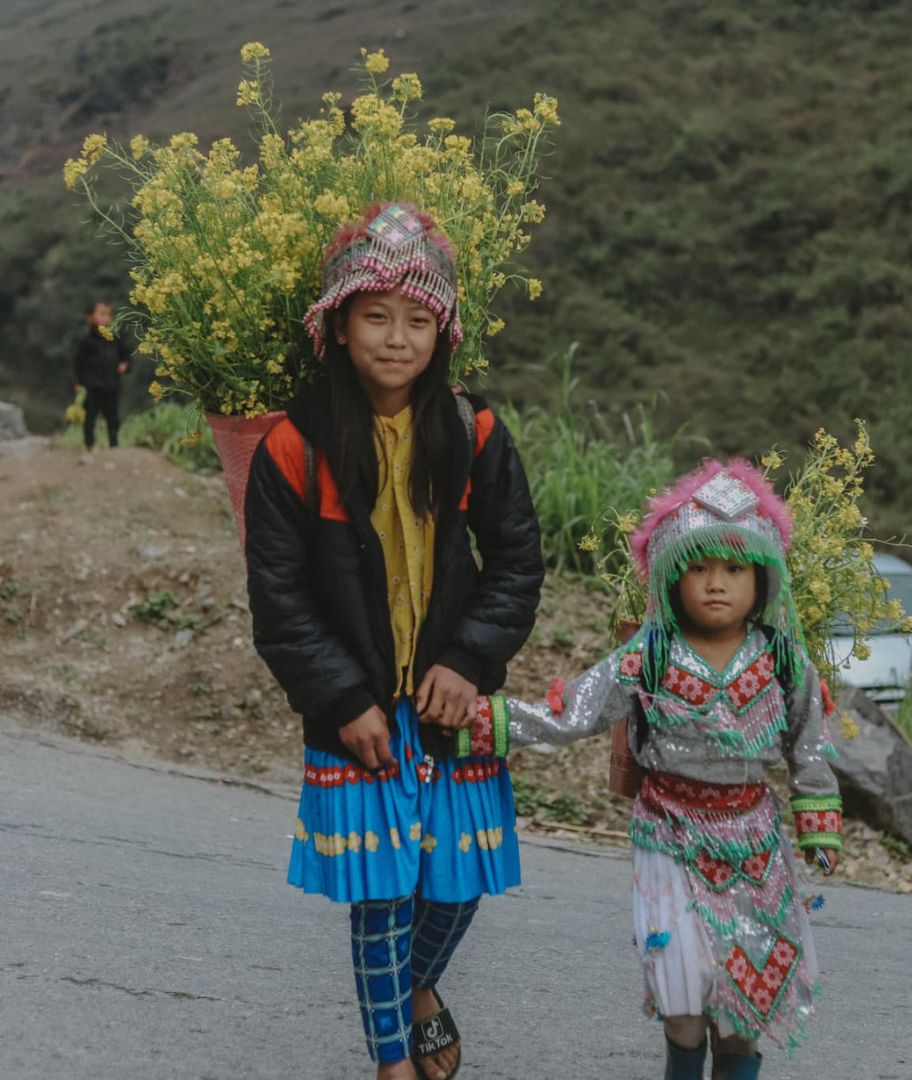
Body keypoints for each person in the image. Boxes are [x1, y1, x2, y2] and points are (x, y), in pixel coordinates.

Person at [244, 202, 544, 1080]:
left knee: (457, 885)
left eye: (417, 320)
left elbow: (518, 560)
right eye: (375, 316)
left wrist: (468, 660)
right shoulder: (293, 450)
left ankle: (414, 992)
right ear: (338, 326)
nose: (396, 338)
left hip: (448, 702)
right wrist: (342, 700)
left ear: (441, 334)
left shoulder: (474, 432)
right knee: (381, 895)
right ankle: (392, 1064)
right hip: (361, 711)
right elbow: (280, 599)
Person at [472, 460, 842, 1080]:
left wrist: (818, 824)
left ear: (762, 580)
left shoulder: (784, 659)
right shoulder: (649, 654)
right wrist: (485, 723)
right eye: (698, 567)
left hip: (755, 841)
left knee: (743, 1001)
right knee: (683, 990)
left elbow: (809, 746)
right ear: (671, 576)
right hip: (667, 831)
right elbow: (576, 713)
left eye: (733, 568)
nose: (716, 583)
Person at [72, 301, 131, 459]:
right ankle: (90, 447)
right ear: (90, 317)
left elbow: (127, 355)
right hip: (92, 386)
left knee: (112, 418)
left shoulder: (116, 338)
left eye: (108, 314)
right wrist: (79, 382)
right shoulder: (86, 342)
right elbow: (79, 364)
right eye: (102, 314)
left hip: (111, 385)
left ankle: (114, 447)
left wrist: (124, 364)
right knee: (89, 418)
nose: (106, 318)